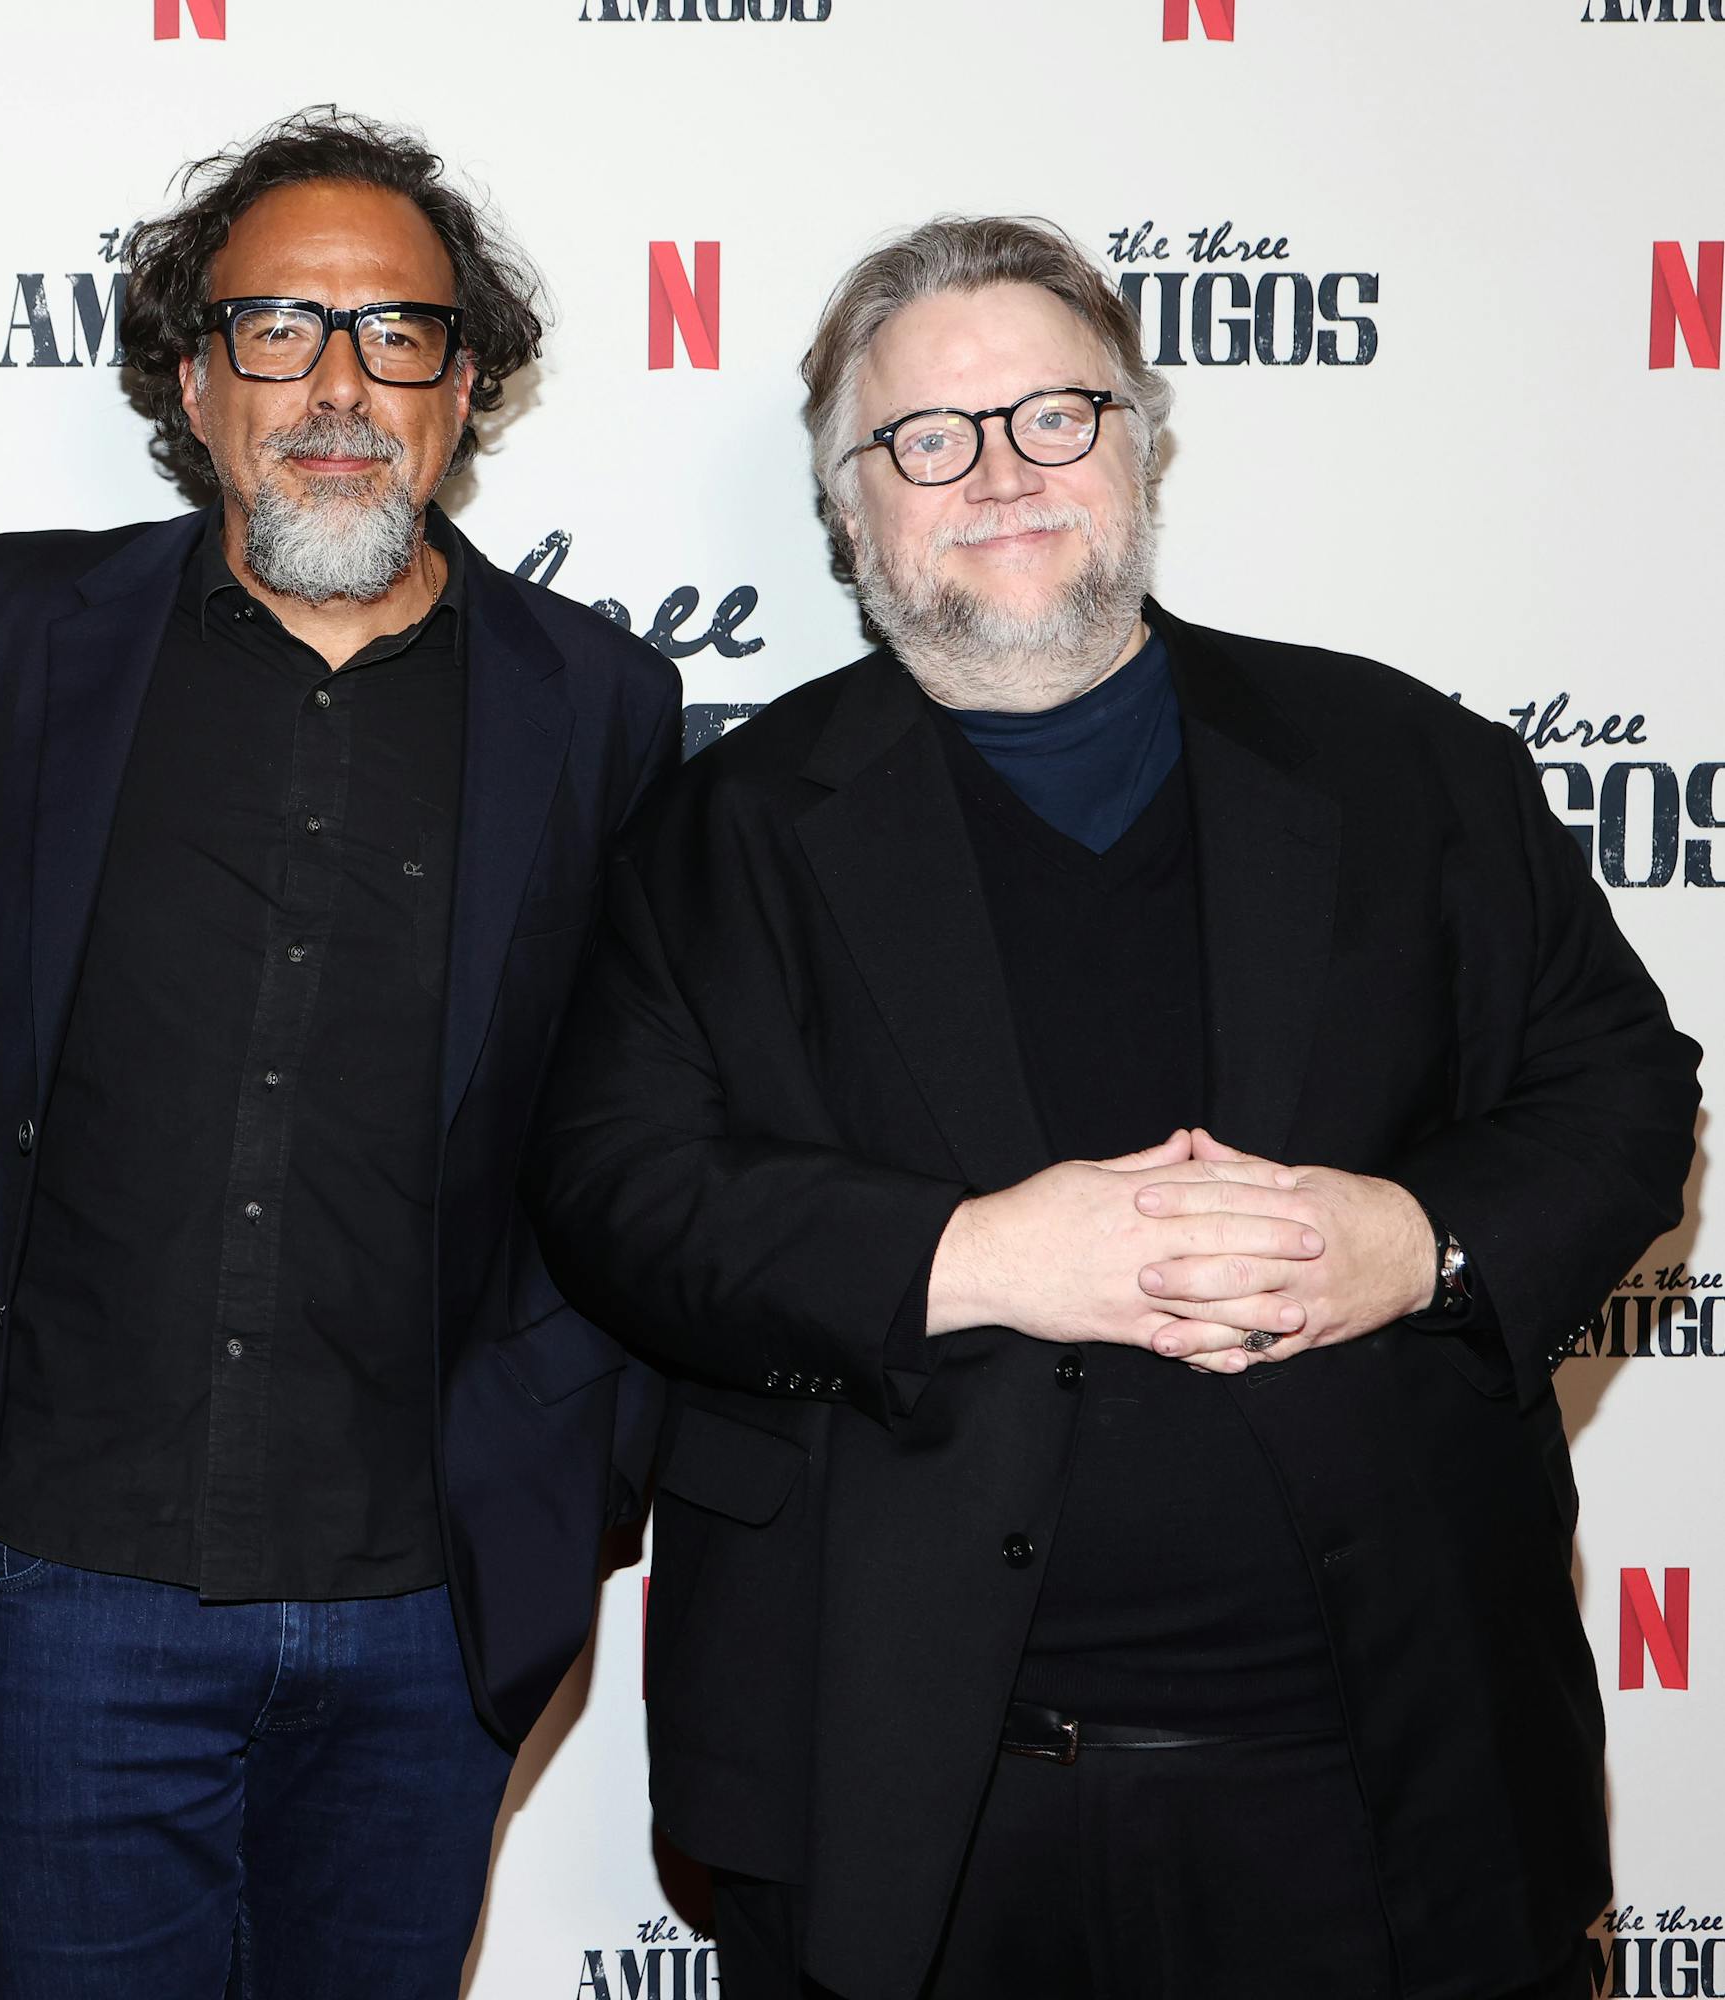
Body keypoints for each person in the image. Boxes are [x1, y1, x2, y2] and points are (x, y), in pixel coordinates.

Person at [525, 214, 1701, 2000]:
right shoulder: (723, 828)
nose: (997, 475)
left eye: (1054, 418)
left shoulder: (1407, 767)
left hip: (1383, 1787)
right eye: (927, 438)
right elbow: (617, 1189)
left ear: (1141, 440)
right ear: (851, 505)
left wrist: (1414, 1238)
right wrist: (973, 1253)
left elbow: (1621, 1086)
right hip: (908, 1802)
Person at [0, 108, 680, 1999]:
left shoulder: (598, 705)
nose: (337, 381)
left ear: (462, 383)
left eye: (395, 333)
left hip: (430, 1609)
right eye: (276, 328)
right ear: (193, 376)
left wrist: (576, 1486)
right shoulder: (24, 633)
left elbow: (649, 1114)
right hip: (60, 1588)